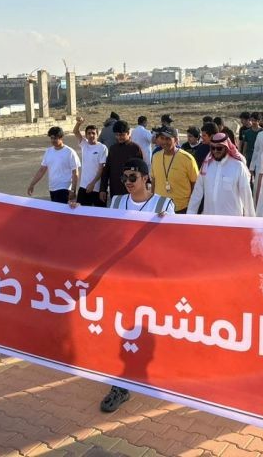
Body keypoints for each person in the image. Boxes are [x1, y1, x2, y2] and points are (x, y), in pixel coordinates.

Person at [99, 158, 174, 413]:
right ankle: (122, 383)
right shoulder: (117, 201)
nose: (128, 183)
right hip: (121, 276)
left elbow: (173, 243)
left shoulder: (163, 204)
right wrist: (75, 211)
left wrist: (167, 224)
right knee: (122, 328)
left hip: (149, 278)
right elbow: (106, 232)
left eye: (133, 178)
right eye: (124, 178)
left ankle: (137, 374)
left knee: (142, 329)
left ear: (145, 178)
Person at [187, 132, 254, 216]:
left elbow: (246, 196)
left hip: (232, 220)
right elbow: (197, 192)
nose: (215, 151)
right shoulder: (206, 165)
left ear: (226, 147)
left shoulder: (238, 166)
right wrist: (190, 215)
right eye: (212, 148)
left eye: (219, 148)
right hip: (209, 219)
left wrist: (250, 221)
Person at [150, 125, 199, 213]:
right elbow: (154, 180)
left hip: (181, 208)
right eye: (162, 138)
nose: (164, 142)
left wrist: (192, 207)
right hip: (160, 208)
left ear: (176, 140)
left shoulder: (187, 158)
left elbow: (195, 183)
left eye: (168, 139)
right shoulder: (156, 157)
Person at [27, 127, 80, 204]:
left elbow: (75, 173)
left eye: (55, 138)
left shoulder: (70, 152)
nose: (53, 140)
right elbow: (42, 170)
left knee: (62, 214)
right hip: (52, 188)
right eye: (51, 138)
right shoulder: (48, 151)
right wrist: (32, 184)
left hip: (65, 188)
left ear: (61, 137)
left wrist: (73, 190)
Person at [99, 120, 143, 204]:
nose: (119, 137)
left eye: (122, 134)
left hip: (131, 191)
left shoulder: (135, 148)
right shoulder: (112, 149)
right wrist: (102, 189)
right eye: (117, 135)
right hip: (115, 190)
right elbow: (106, 170)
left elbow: (141, 171)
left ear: (128, 133)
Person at [72, 117, 108, 207]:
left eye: (93, 133)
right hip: (83, 186)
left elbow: (101, 169)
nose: (91, 135)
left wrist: (92, 184)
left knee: (99, 216)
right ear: (86, 135)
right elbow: (76, 131)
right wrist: (79, 123)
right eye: (89, 133)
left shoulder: (102, 148)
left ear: (97, 134)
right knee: (80, 214)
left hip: (97, 188)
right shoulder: (84, 144)